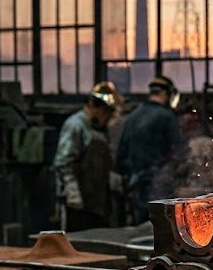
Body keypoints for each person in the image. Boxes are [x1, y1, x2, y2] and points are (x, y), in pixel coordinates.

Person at [54, 82, 120, 232]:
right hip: (79, 203)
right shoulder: (75, 126)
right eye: (107, 112)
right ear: (94, 106)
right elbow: (63, 162)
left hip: (97, 201)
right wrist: (72, 191)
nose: (109, 117)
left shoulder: (98, 129)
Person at [117, 75, 183, 224]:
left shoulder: (132, 117)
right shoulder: (168, 117)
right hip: (161, 186)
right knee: (161, 228)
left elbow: (121, 155)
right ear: (166, 94)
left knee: (140, 232)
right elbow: (179, 153)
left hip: (136, 187)